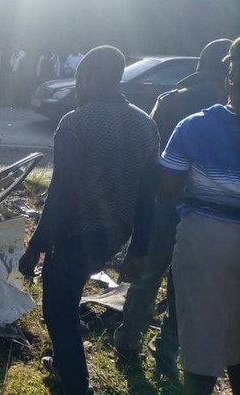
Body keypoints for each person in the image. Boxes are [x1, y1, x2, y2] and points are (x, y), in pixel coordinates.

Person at [19, 46, 159, 395]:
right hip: (115, 234)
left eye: (81, 75)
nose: (78, 82)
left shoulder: (75, 123)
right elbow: (147, 195)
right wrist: (138, 249)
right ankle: (65, 362)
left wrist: (35, 247)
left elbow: (61, 193)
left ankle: (78, 387)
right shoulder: (146, 124)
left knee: (57, 309)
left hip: (77, 232)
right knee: (70, 295)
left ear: (91, 76)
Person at [113, 38, 233, 377]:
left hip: (166, 204)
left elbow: (148, 158)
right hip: (209, 217)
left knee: (149, 274)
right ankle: (167, 353)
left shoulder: (174, 103)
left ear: (200, 64)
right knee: (186, 286)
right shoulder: (229, 105)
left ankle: (129, 341)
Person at [157, 37, 240, 395]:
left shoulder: (194, 126)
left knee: (202, 336)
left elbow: (168, 186)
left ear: (228, 83)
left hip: (206, 237)